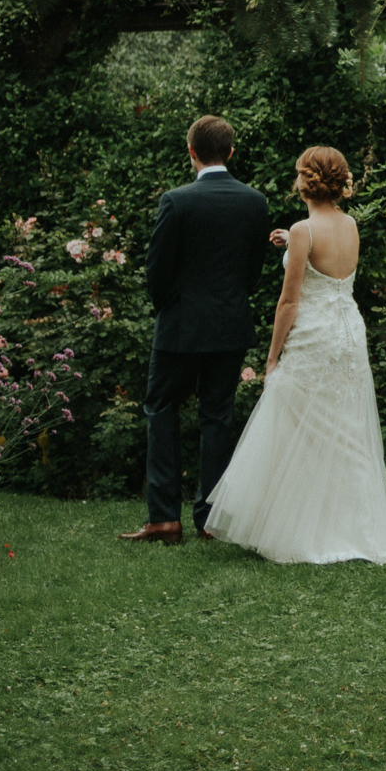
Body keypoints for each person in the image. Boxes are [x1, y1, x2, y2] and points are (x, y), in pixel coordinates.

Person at [203, 145, 386, 565]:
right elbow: (329, 268)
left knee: (302, 426)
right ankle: (354, 526)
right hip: (349, 332)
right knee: (343, 427)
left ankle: (303, 529)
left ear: (306, 181)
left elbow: (289, 302)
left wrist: (272, 357)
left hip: (315, 335)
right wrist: (289, 241)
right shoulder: (350, 225)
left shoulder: (304, 230)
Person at [120, 114, 273, 545]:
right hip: (230, 325)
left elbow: (157, 270)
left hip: (181, 328)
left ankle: (164, 519)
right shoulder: (254, 202)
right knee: (217, 418)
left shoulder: (176, 200)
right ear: (230, 152)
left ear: (191, 152)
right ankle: (211, 517)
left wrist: (170, 307)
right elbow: (251, 271)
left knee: (161, 410)